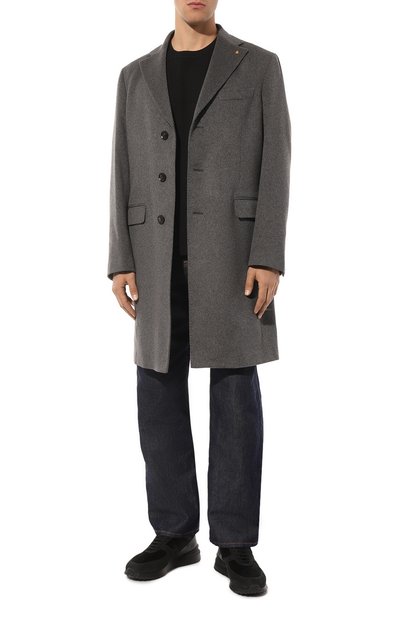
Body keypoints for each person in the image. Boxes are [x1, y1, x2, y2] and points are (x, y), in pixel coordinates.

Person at [107, 0, 291, 597]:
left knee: (236, 395)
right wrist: (120, 258)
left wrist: (268, 253)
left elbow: (277, 162)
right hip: (154, 258)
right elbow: (122, 168)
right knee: (157, 394)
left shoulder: (258, 65)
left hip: (233, 257)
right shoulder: (135, 76)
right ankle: (173, 533)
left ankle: (234, 543)